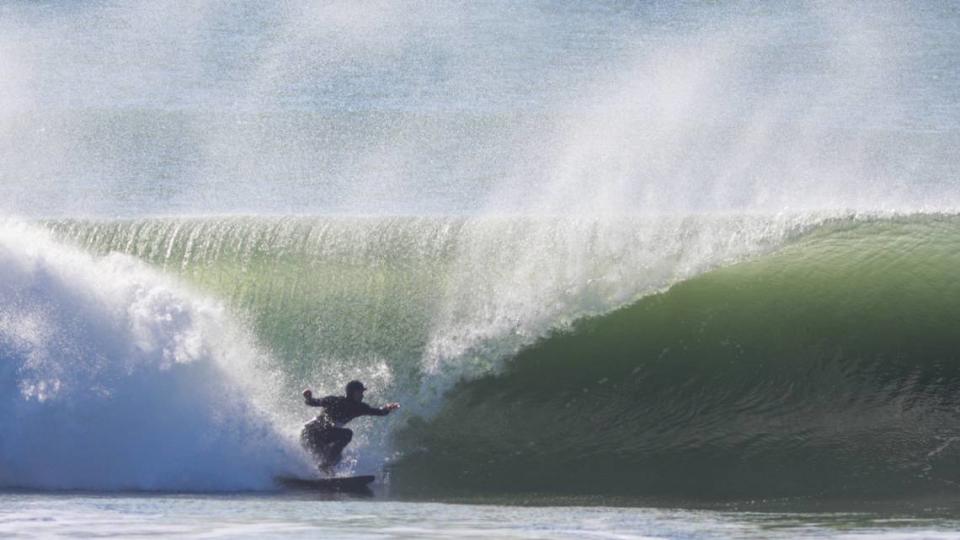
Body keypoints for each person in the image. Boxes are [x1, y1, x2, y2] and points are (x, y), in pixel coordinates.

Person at [300, 380, 400, 472]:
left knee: (337, 457)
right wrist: (308, 397)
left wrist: (387, 409)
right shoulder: (335, 401)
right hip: (310, 433)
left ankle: (324, 474)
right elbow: (313, 402)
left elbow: (378, 412)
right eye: (360, 392)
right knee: (347, 434)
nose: (362, 395)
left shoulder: (359, 407)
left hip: (321, 438)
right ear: (353, 392)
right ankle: (326, 467)